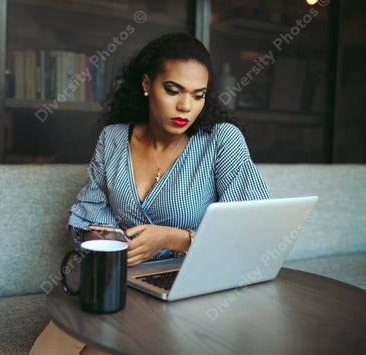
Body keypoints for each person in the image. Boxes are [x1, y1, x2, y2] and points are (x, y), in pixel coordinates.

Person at [29, 32, 271, 355]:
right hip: (118, 284)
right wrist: (106, 240)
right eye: (173, 90)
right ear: (147, 84)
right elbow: (90, 217)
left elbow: (253, 232)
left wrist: (173, 239)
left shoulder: (221, 141)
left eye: (198, 95)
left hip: (189, 290)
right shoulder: (113, 140)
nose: (186, 106)